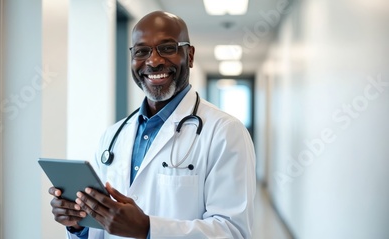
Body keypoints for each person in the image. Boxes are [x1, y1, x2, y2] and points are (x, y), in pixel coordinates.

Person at [48, 11, 256, 239]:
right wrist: (79, 225)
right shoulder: (113, 136)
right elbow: (102, 227)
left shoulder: (225, 132)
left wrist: (148, 230)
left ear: (190, 55)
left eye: (167, 48)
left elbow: (233, 232)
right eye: (141, 51)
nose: (153, 61)